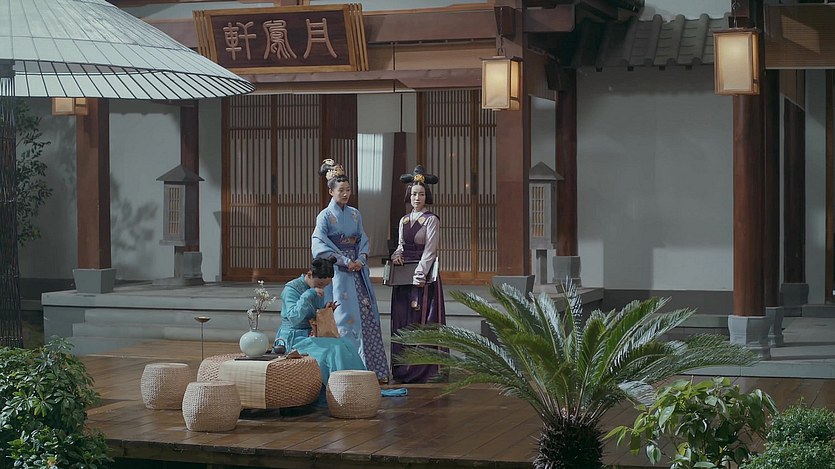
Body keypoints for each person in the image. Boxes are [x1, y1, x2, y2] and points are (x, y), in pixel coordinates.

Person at [311, 159, 391, 383]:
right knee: (344, 319)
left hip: (357, 272)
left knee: (366, 317)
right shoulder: (325, 216)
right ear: (331, 191)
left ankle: (373, 369)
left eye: (348, 190)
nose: (346, 194)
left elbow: (363, 239)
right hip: (339, 274)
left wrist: (362, 258)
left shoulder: (355, 214)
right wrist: (345, 261)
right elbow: (319, 244)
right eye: (341, 190)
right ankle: (347, 372)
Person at [274, 257, 366, 404]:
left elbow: (314, 315)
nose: (322, 288)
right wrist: (309, 294)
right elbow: (294, 318)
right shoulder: (291, 289)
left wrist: (326, 310)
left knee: (346, 344)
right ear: (309, 275)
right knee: (334, 349)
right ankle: (339, 392)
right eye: (320, 284)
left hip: (311, 335)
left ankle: (357, 388)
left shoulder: (316, 289)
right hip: (293, 338)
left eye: (325, 285)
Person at [390, 165, 446, 383]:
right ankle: (403, 368)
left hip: (424, 278)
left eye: (421, 194)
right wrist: (397, 255)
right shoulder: (404, 220)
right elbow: (401, 245)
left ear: (426, 196)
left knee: (422, 319)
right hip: (404, 277)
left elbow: (430, 250)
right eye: (414, 194)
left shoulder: (431, 220)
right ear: (409, 195)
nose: (417, 198)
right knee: (403, 319)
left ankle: (424, 370)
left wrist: (419, 275)